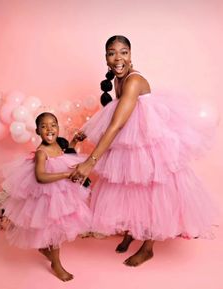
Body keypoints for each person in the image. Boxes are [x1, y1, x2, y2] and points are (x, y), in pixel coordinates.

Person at [70, 35, 218, 267]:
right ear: (106, 58)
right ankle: (133, 229)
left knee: (151, 191)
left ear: (131, 55)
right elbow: (114, 114)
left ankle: (148, 246)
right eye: (112, 53)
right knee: (131, 187)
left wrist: (91, 161)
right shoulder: (119, 80)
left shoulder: (133, 81)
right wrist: (87, 132)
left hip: (150, 142)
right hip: (132, 140)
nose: (118, 58)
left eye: (123, 52)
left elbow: (117, 124)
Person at [2, 112, 91, 281]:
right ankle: (56, 264)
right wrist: (66, 174)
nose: (49, 129)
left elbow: (64, 155)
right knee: (53, 228)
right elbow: (40, 176)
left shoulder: (59, 144)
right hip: (47, 194)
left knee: (57, 227)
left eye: (53, 125)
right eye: (44, 126)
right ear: (37, 131)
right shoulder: (41, 152)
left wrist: (75, 141)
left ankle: (46, 249)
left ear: (58, 127)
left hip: (62, 192)